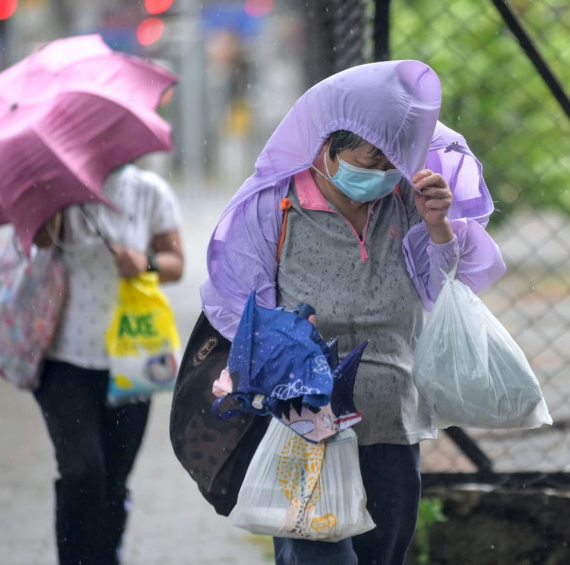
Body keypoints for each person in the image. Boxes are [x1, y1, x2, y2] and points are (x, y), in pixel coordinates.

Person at [199, 60, 506, 564]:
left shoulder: (409, 200)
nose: (385, 172)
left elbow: (443, 290)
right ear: (327, 149)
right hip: (309, 428)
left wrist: (439, 228)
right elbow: (237, 305)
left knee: (384, 552)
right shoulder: (275, 206)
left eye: (395, 160)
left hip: (393, 420)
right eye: (373, 158)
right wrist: (287, 338)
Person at [33, 162, 184, 564]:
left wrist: (145, 261)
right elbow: (42, 243)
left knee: (114, 481)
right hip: (64, 360)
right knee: (82, 471)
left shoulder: (149, 190)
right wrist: (53, 199)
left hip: (132, 360)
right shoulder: (60, 187)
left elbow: (176, 263)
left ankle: (105, 555)